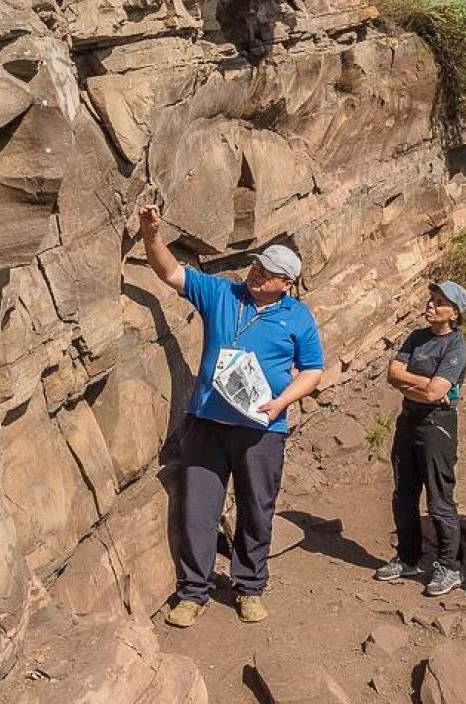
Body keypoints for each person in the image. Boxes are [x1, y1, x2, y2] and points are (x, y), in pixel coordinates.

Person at [138, 205, 325, 628]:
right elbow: (169, 272)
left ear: (286, 283)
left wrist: (281, 404)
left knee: (256, 511)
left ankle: (250, 587)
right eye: (256, 265)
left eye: (267, 272)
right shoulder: (222, 293)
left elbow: (312, 370)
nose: (256, 273)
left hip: (262, 431)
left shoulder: (298, 317)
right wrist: (152, 234)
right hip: (207, 426)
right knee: (199, 511)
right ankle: (193, 592)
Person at [374, 281, 466, 596]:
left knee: (439, 499)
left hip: (437, 426)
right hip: (409, 419)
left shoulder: (456, 346)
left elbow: (436, 393)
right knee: (403, 493)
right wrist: (426, 383)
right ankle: (408, 557)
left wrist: (423, 387)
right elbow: (393, 373)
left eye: (439, 302)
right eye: (431, 299)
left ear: (454, 313)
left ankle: (450, 566)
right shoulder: (417, 337)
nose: (430, 305)